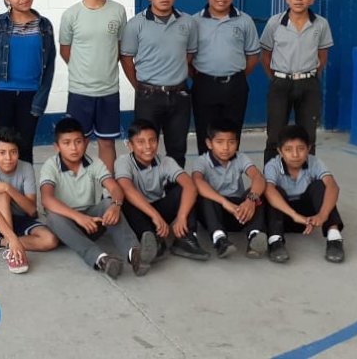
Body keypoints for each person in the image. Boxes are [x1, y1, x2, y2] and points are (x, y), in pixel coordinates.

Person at [40, 117, 154, 279]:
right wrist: (78, 217)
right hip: (65, 227)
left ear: (86, 142)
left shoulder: (93, 163)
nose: (74, 148)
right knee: (53, 217)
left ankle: (134, 254)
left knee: (108, 203)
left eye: (78, 142)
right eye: (66, 143)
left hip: (91, 223)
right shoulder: (50, 166)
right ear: (57, 147)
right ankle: (102, 260)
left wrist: (116, 205)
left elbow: (114, 187)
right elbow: (46, 199)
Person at [120, 0, 197, 167]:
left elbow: (189, 55)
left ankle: (174, 185)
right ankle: (145, 185)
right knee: (144, 149)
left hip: (179, 95)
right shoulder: (135, 24)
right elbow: (126, 58)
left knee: (177, 150)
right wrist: (139, 86)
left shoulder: (188, 22)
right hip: (148, 96)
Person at [59, 0, 127, 173]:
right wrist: (83, 70)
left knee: (107, 142)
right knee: (76, 143)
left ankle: (108, 188)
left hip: (109, 91)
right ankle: (76, 187)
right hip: (80, 92)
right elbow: (65, 51)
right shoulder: (71, 14)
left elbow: (119, 48)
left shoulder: (118, 11)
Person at [0, 0, 56, 165]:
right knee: (0, 149)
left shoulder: (44, 25)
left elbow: (49, 66)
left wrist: (41, 98)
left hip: (31, 96)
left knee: (24, 150)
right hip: (1, 95)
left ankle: (24, 186)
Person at [260, 0, 333, 162]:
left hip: (309, 85)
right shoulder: (275, 23)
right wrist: (276, 78)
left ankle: (306, 175)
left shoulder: (321, 24)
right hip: (280, 84)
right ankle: (271, 175)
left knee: (308, 136)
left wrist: (310, 75)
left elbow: (323, 55)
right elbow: (266, 54)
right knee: (275, 135)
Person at [0, 127, 59, 274]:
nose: (8, 158)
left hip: (20, 218)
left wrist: (8, 188)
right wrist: (13, 239)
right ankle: (13, 252)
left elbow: (31, 210)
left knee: (50, 240)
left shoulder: (26, 168)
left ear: (18, 152)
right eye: (2, 153)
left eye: (13, 152)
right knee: (2, 194)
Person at [190, 0, 260, 156]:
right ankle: (206, 172)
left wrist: (236, 76)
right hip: (204, 85)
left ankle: (231, 172)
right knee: (205, 132)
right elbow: (187, 57)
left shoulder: (244, 21)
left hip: (235, 86)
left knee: (232, 134)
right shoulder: (194, 22)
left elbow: (253, 56)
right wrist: (201, 77)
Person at [114, 119, 204, 262]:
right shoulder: (123, 162)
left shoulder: (166, 161)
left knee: (183, 190)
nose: (148, 146)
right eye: (141, 142)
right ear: (130, 146)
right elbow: (126, 188)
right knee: (123, 196)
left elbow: (190, 186)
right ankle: (151, 239)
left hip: (156, 208)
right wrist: (155, 215)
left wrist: (181, 217)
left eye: (152, 140)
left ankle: (186, 237)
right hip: (136, 213)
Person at [263, 125, 345, 264]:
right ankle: (275, 241)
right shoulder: (272, 165)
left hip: (309, 220)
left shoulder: (314, 162)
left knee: (320, 185)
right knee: (272, 190)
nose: (295, 155)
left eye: (300, 149)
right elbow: (269, 191)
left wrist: (322, 215)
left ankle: (334, 237)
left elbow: (333, 186)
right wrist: (294, 215)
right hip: (283, 218)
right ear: (280, 151)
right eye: (288, 149)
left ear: (308, 148)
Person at [191, 119, 268, 259]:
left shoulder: (241, 158)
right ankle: (220, 239)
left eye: (231, 142)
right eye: (219, 142)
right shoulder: (202, 161)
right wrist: (224, 202)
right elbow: (197, 181)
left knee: (258, 192)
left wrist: (250, 200)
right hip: (214, 212)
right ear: (209, 143)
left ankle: (254, 236)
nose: (226, 147)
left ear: (237, 143)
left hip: (239, 212)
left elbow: (258, 177)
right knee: (204, 194)